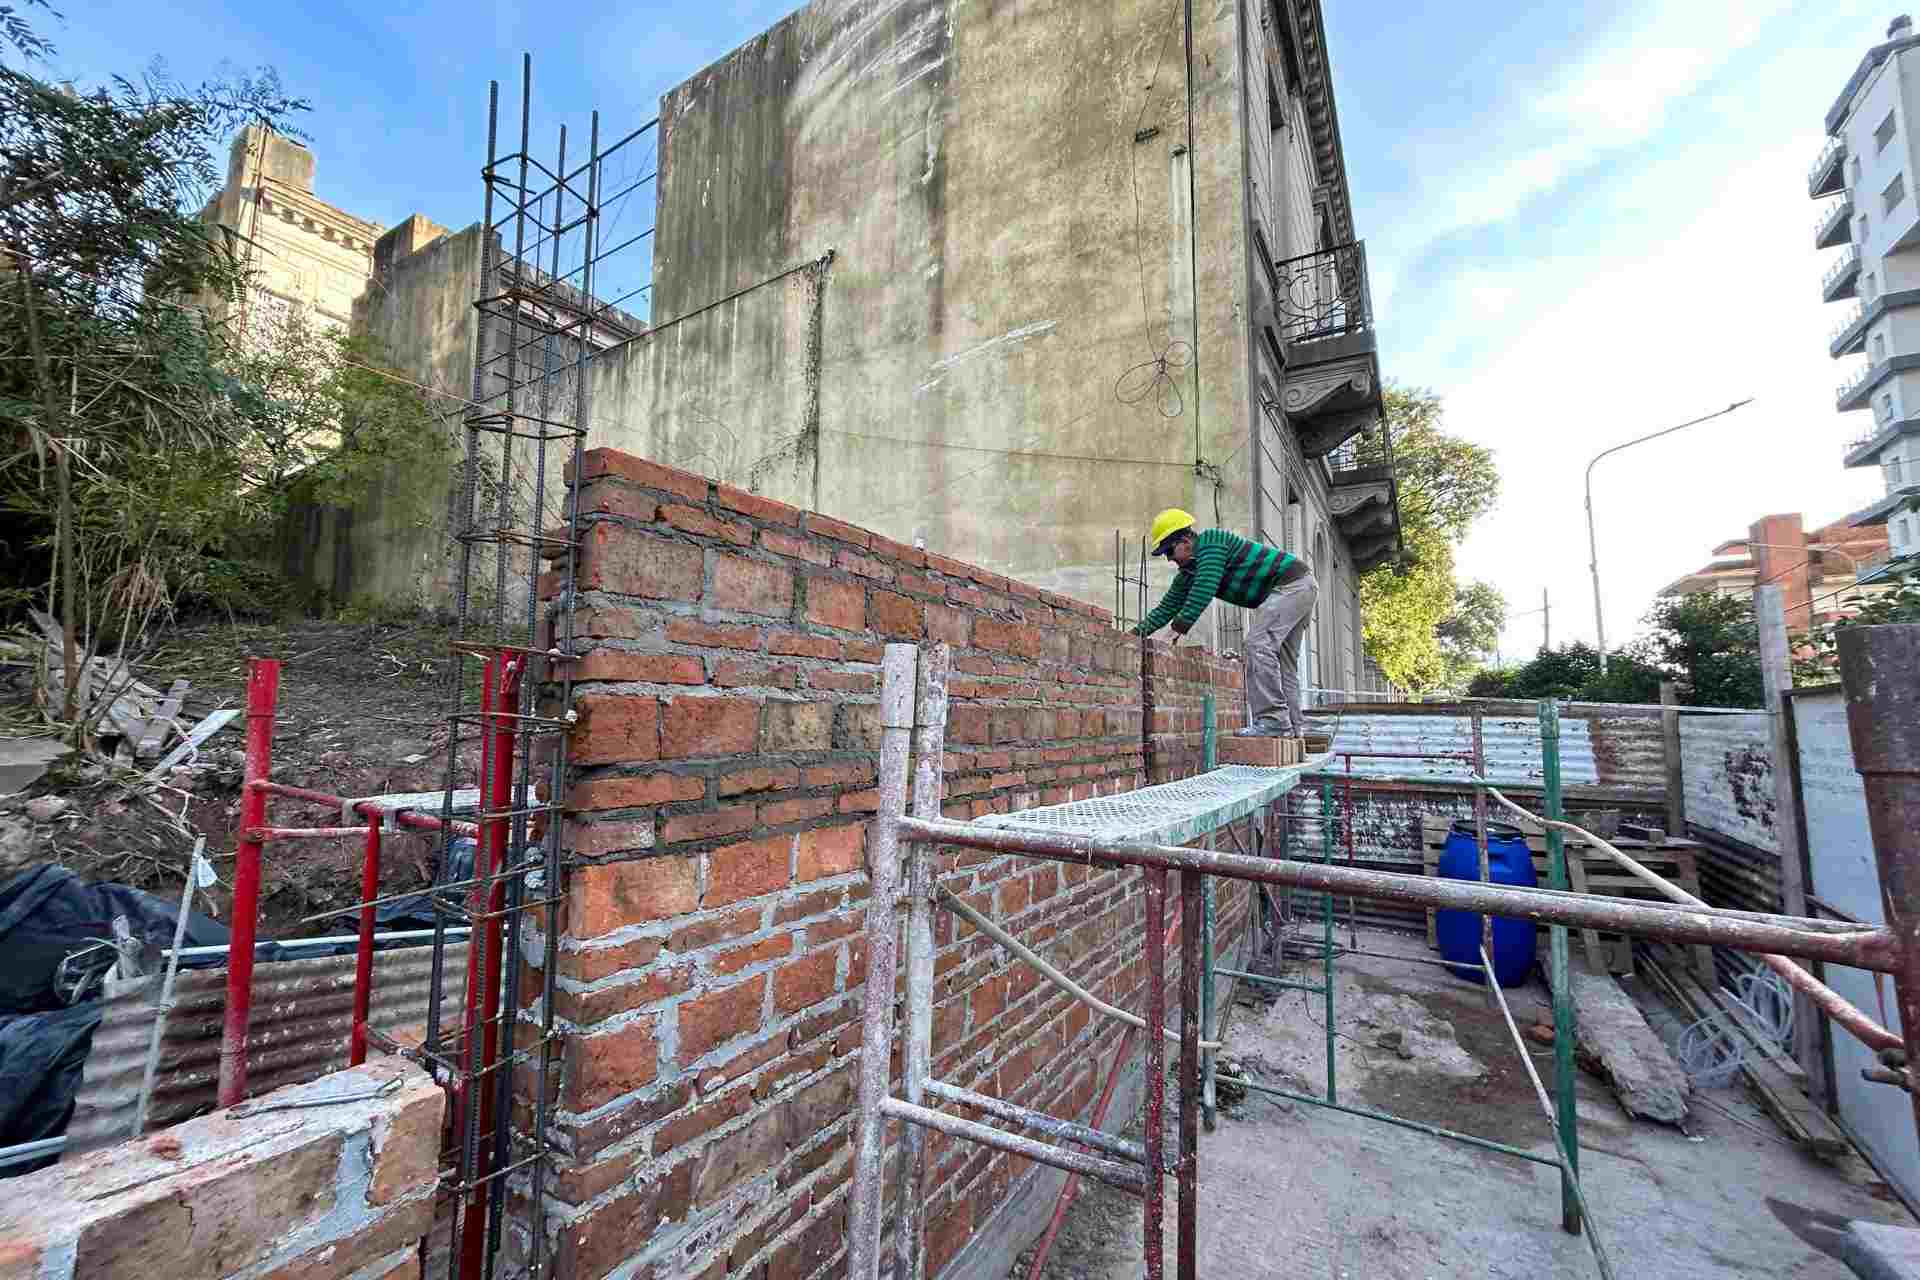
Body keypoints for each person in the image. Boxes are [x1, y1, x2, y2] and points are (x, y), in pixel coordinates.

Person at [1130, 508, 1317, 738]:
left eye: (1170, 551)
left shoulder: (1211, 543)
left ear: (1185, 540)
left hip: (1291, 585)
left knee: (1257, 645)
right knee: (1282, 661)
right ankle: (1295, 730)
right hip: (1298, 588)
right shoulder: (1189, 572)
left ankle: (1273, 721)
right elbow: (1165, 609)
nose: (1170, 559)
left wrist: (1176, 631)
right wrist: (1131, 636)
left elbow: (1205, 588)